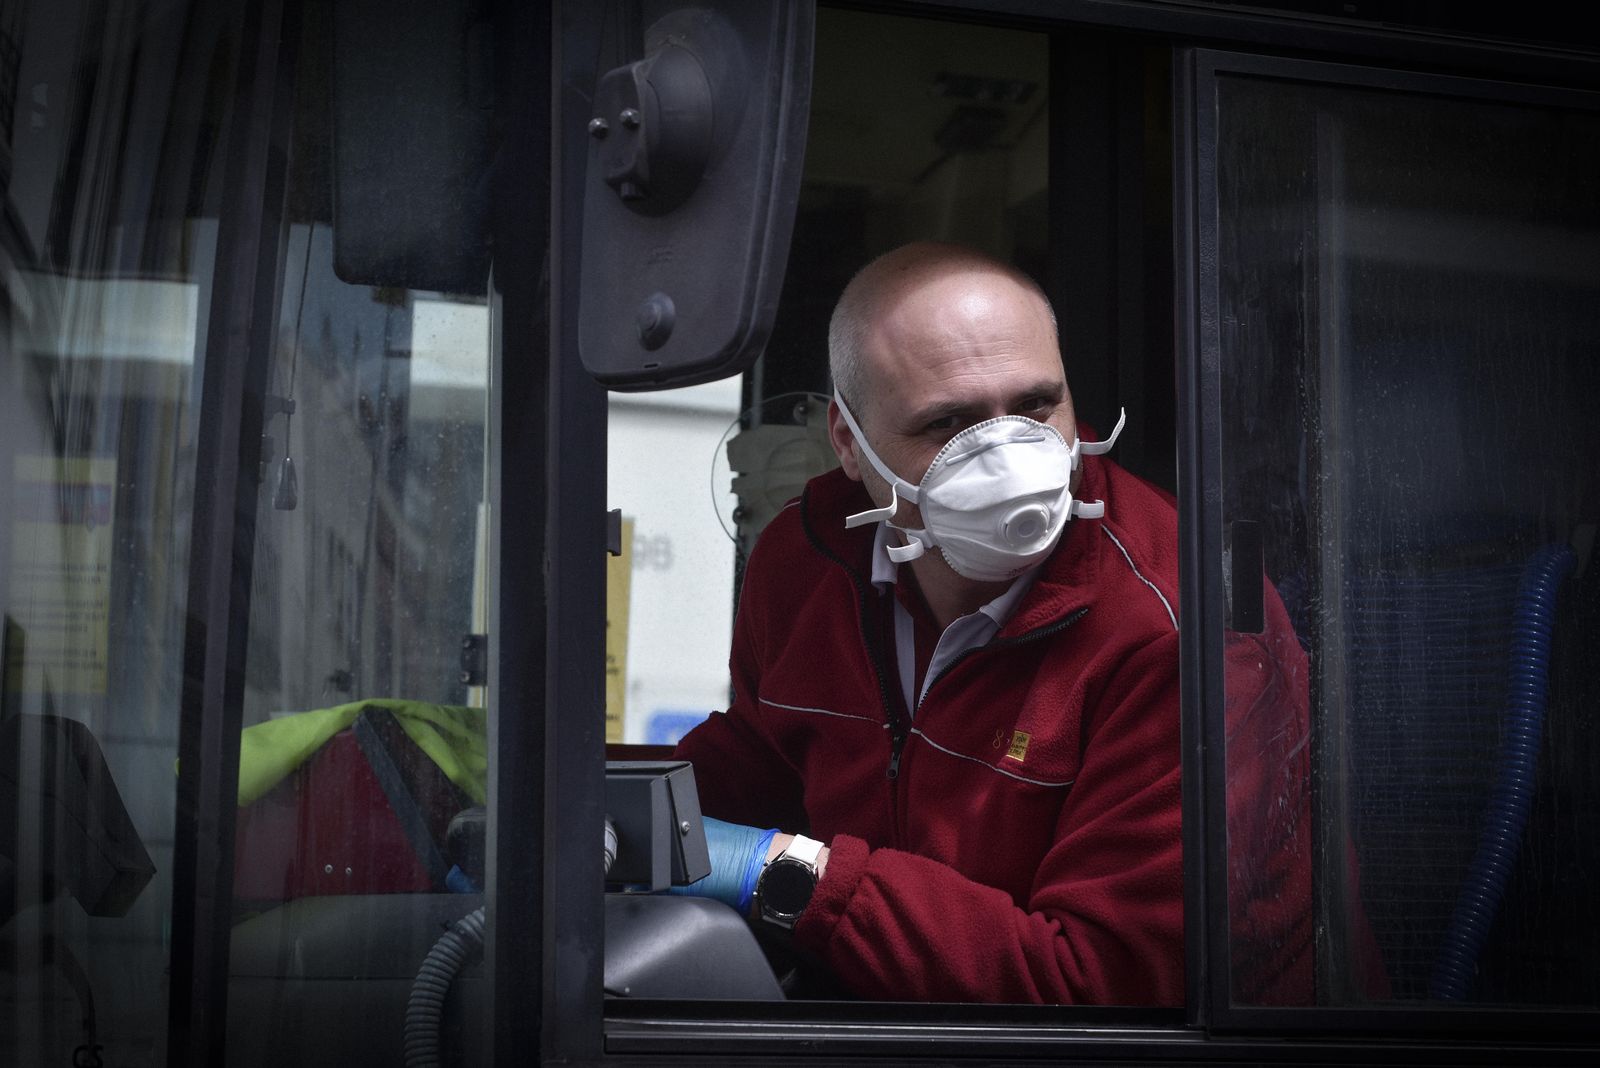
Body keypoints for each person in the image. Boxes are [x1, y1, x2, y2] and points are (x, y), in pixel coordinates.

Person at [672, 241, 1311, 1004]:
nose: (1010, 461)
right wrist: (589, 813)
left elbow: (1102, 985)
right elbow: (764, 761)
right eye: (949, 423)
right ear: (848, 442)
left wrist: (782, 876)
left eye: (1038, 407)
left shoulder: (1184, 626)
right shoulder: (805, 560)